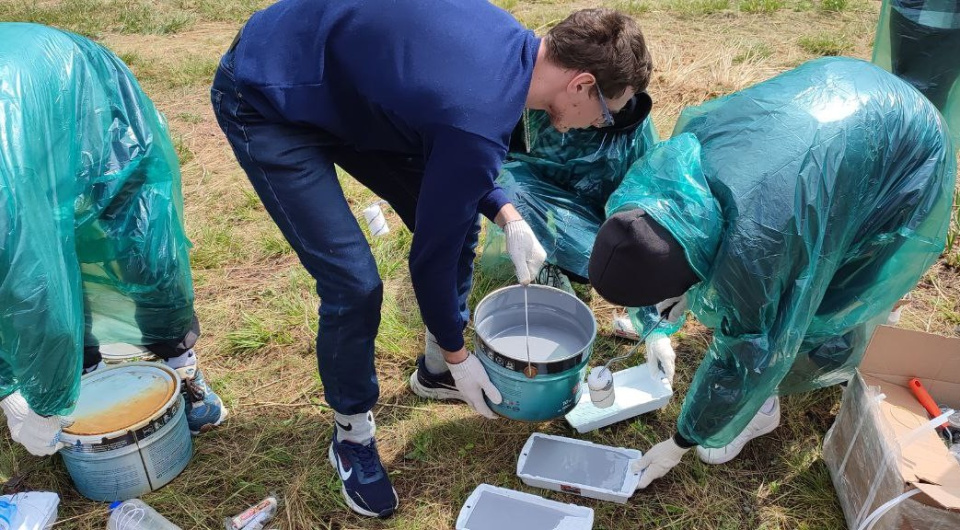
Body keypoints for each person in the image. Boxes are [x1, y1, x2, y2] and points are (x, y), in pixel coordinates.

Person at [211, 0, 652, 518]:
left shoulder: (512, 51)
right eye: (605, 113)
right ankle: (352, 434)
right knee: (354, 283)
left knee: (459, 225)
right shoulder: (479, 114)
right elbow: (431, 256)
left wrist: (508, 214)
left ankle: (434, 371)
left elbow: (454, 158)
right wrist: (462, 354)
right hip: (267, 92)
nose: (596, 125)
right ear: (581, 84)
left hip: (345, 89)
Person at [587, 57, 956, 489]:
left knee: (827, 297)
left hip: (906, 148)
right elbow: (661, 244)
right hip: (840, 93)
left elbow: (750, 354)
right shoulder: (663, 181)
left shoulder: (756, 253)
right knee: (804, 262)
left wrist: (679, 443)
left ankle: (768, 404)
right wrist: (657, 329)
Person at [0, 23, 225, 458]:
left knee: (141, 231)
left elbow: (31, 291)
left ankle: (181, 366)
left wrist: (42, 402)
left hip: (81, 79)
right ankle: (86, 371)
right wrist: (9, 391)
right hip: (21, 116)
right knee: (48, 246)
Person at [874, 0, 960, 144]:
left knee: (922, 98)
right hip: (919, 14)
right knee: (910, 94)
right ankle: (906, 145)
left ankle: (909, 146)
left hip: (928, 16)